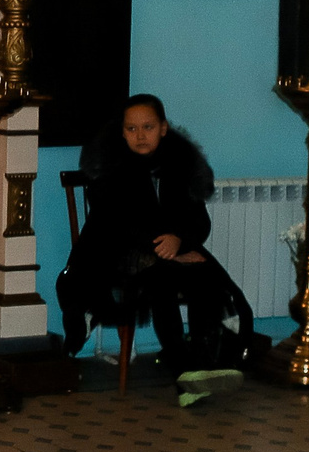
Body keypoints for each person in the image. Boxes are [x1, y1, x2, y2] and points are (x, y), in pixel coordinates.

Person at [56, 96, 257, 376]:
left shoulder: (180, 164)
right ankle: (181, 367)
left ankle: (204, 359)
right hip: (113, 254)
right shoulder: (110, 169)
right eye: (131, 129)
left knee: (201, 275)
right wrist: (167, 250)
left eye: (148, 127)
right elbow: (117, 224)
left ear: (163, 128)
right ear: (121, 131)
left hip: (169, 248)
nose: (140, 135)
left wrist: (178, 241)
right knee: (161, 278)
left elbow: (198, 220)